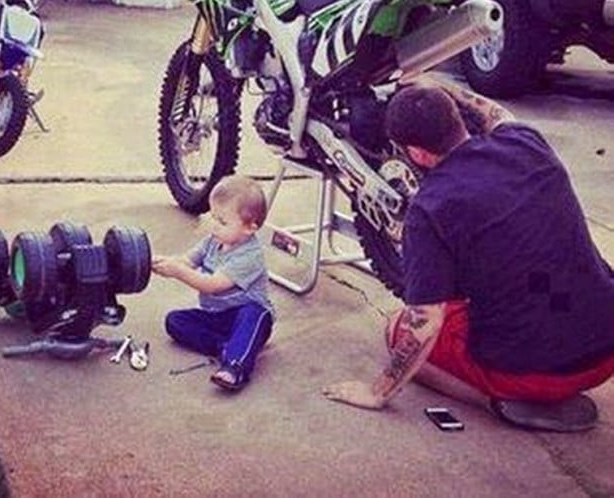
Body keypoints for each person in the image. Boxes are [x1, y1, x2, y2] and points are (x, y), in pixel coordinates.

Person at [323, 76, 614, 431]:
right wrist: (444, 87)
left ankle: (497, 403)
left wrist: (378, 392)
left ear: (415, 154)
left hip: (539, 376)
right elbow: (495, 113)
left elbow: (425, 322)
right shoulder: (526, 143)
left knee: (397, 329)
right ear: (457, 120)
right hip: (605, 348)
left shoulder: (430, 208)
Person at [152, 174, 274, 392]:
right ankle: (227, 347)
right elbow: (186, 261)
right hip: (217, 315)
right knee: (175, 321)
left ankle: (235, 368)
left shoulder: (249, 256)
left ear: (249, 228)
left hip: (245, 316)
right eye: (213, 216)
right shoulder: (212, 241)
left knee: (255, 313)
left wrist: (177, 272)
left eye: (222, 222)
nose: (214, 226)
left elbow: (211, 285)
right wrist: (162, 262)